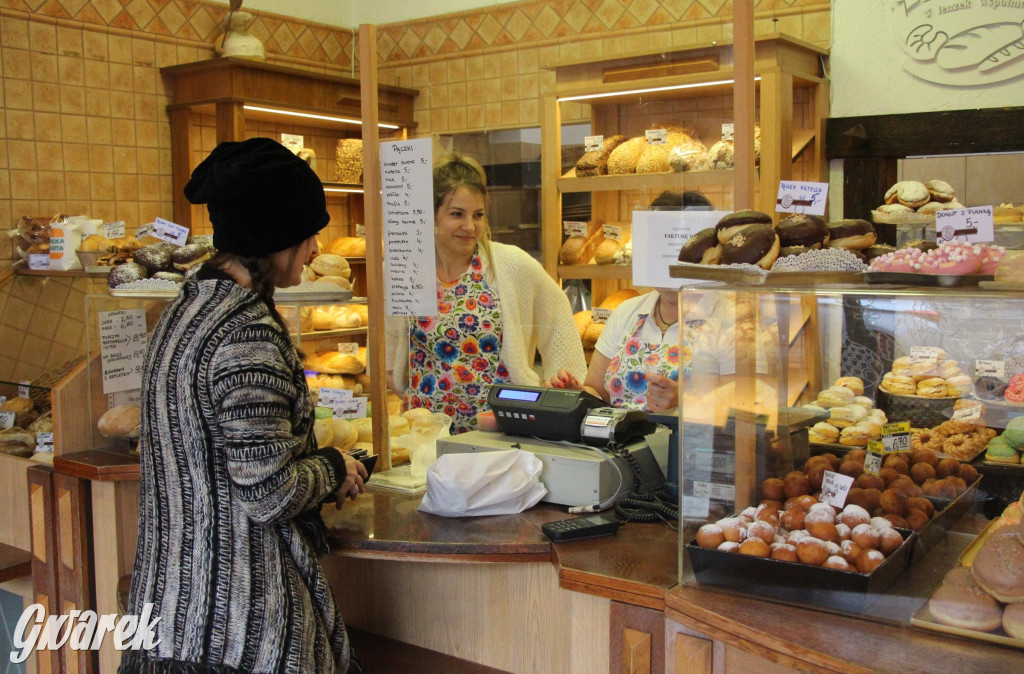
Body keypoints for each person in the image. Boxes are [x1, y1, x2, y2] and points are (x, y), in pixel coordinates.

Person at [121, 138, 367, 673]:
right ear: (274, 236)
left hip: (169, 617)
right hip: (236, 629)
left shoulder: (184, 312)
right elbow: (270, 492)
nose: (312, 247)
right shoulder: (245, 334)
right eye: (307, 232)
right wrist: (332, 466)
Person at [386, 152, 586, 433]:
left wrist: (561, 384)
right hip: (426, 434)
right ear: (431, 215)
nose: (470, 226)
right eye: (457, 214)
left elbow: (557, 317)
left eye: (478, 215)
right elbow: (389, 346)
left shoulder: (511, 264)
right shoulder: (406, 269)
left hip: (500, 432)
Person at [554, 191, 771, 413]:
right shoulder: (627, 312)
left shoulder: (733, 320)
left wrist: (684, 403)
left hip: (686, 447)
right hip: (617, 446)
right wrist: (576, 393)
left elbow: (750, 409)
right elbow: (597, 391)